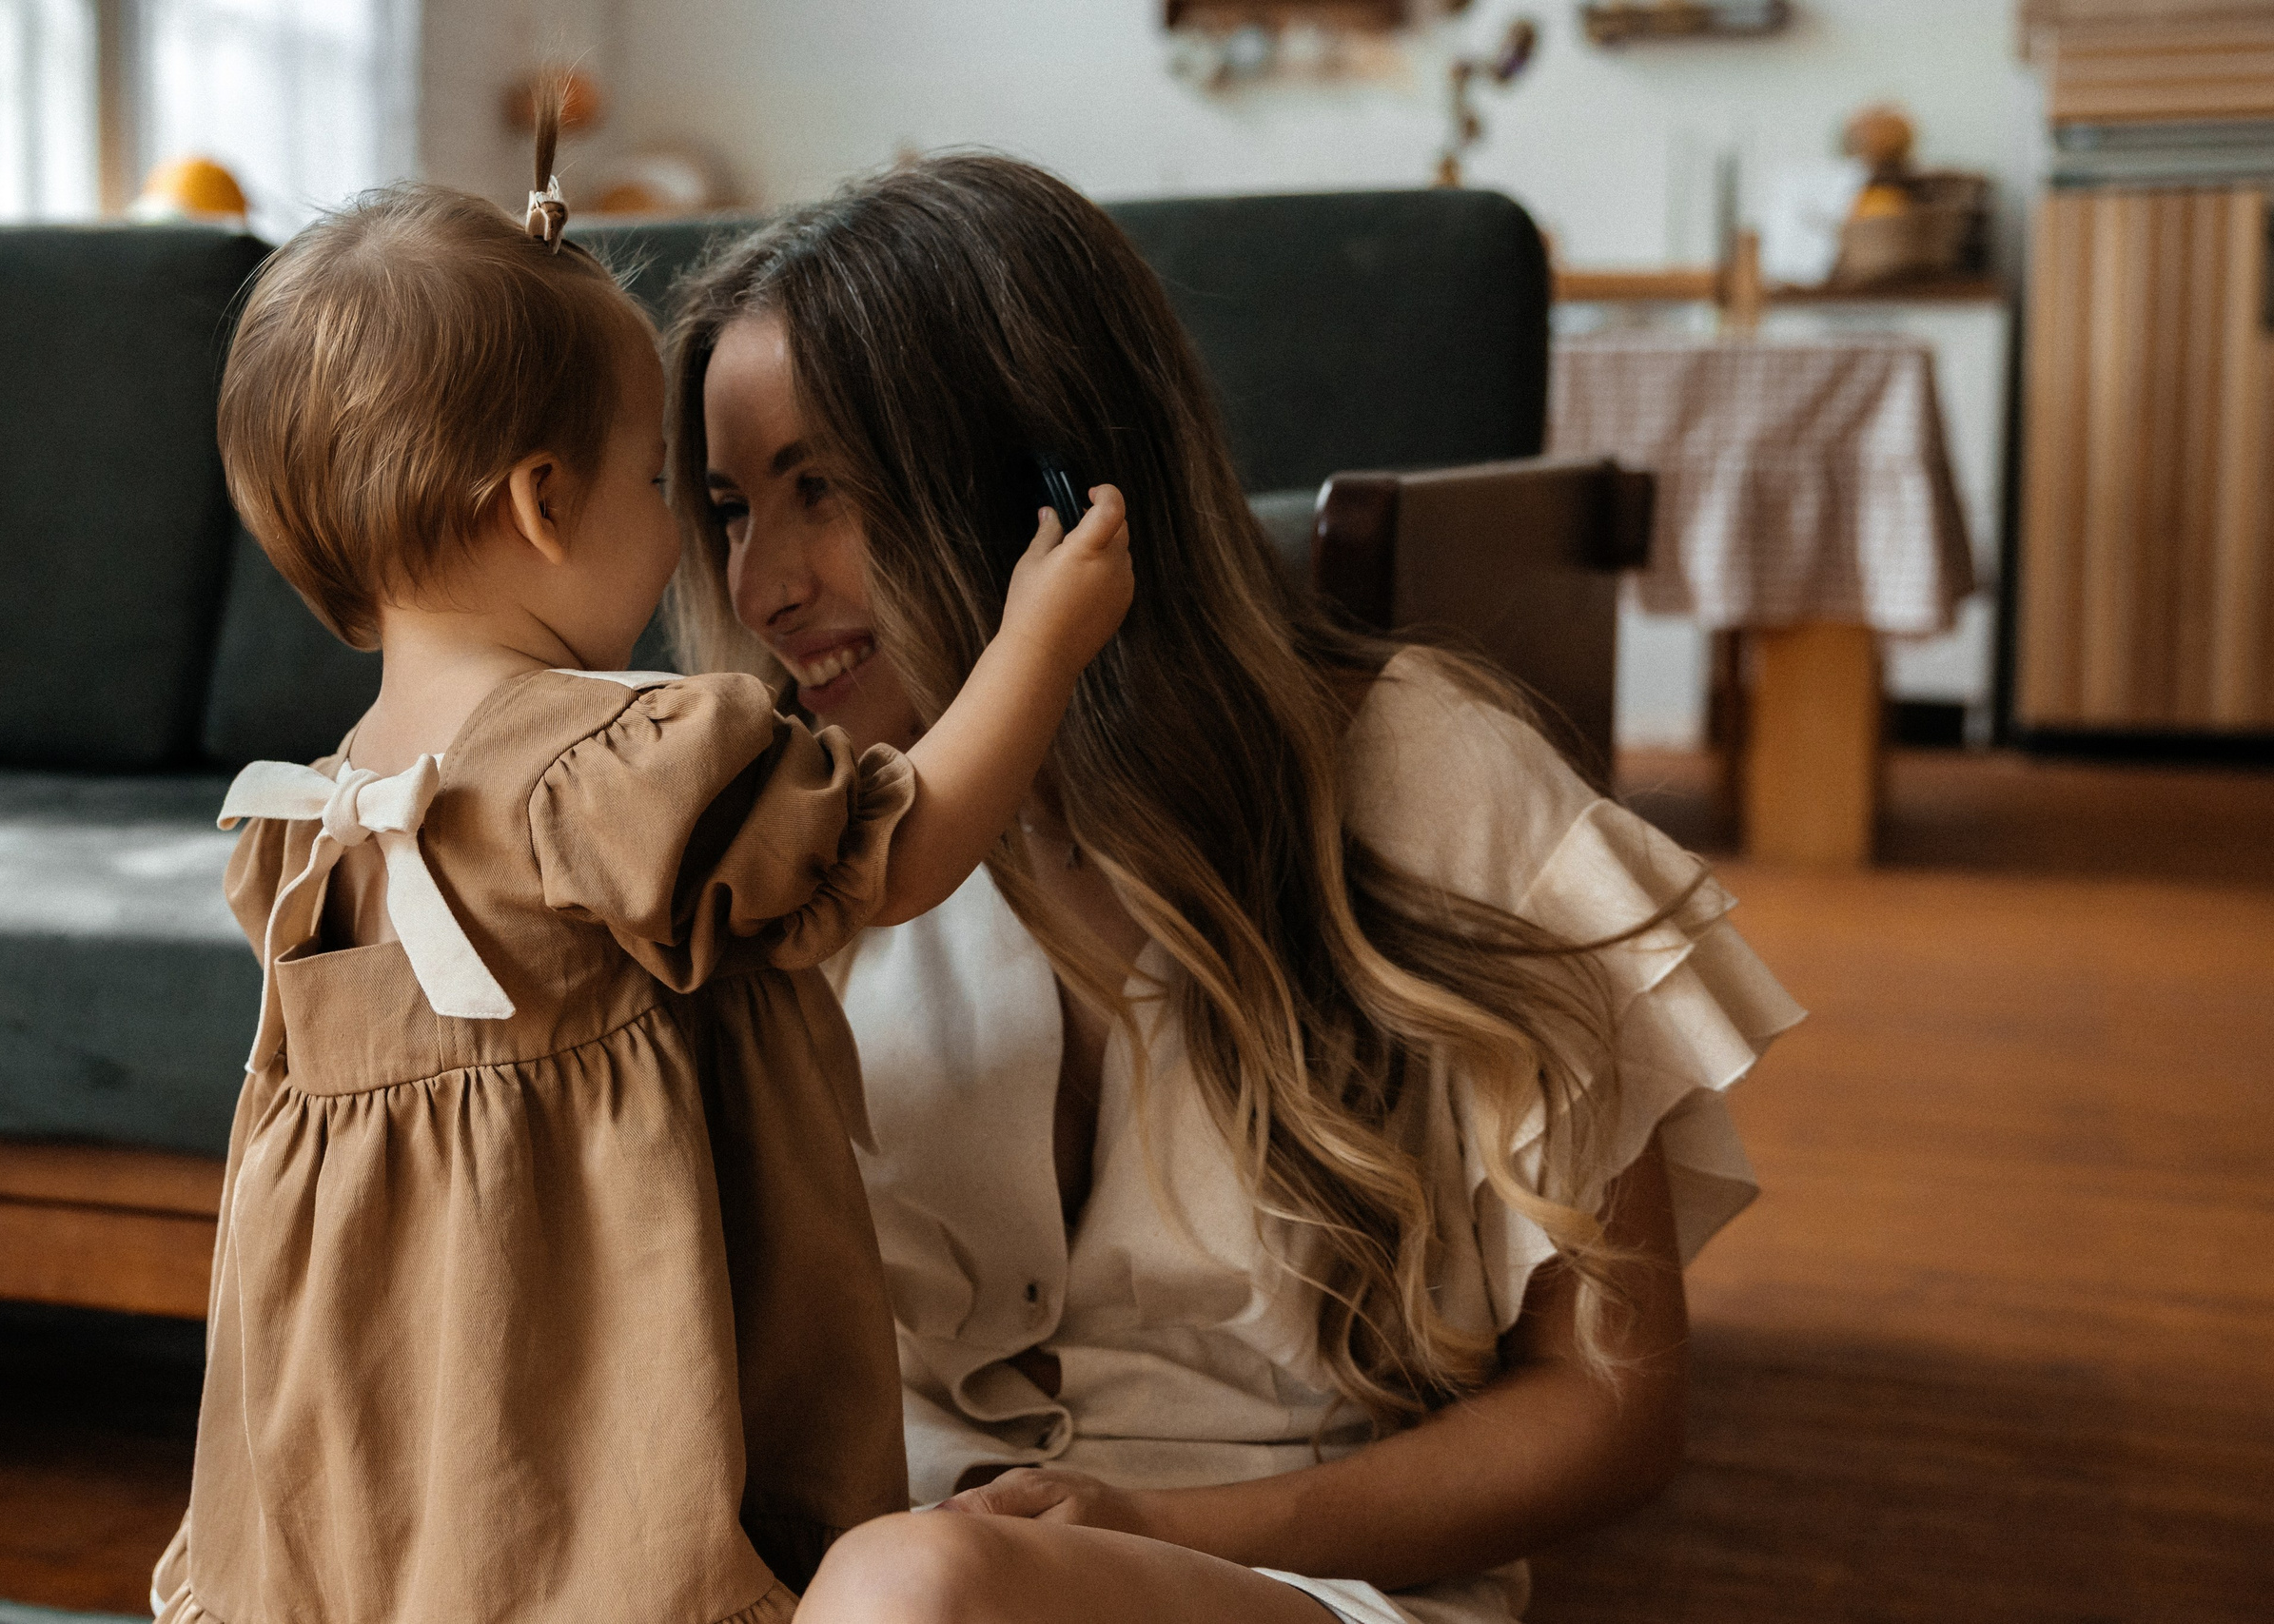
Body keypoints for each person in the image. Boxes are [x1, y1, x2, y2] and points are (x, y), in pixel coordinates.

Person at [663, 154, 1804, 1624]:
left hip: (1282, 1581)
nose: (760, 589)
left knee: (925, 1586)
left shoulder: (1436, 788)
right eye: (729, 507)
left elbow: (1609, 1412)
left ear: (1042, 486)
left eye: (818, 488)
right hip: (858, 1571)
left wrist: (1161, 1527)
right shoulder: (796, 853)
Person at [148, 117, 1132, 1624]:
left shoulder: (306, 818)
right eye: (666, 481)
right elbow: (897, 846)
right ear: (546, 504)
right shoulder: (620, 765)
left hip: (387, 1411)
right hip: (606, 1384)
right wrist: (1039, 644)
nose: (695, 544)